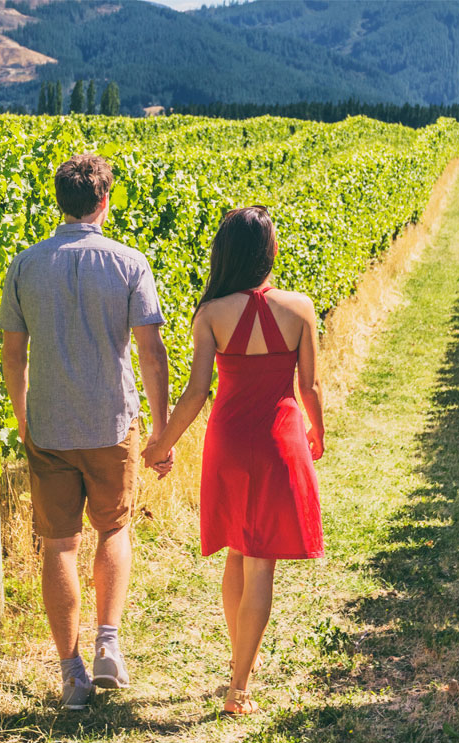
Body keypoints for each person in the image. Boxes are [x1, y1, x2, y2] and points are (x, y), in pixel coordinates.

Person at [0, 153, 172, 710]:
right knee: (113, 530)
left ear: (60, 201)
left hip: (49, 424)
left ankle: (71, 673)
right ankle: (108, 647)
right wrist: (162, 431)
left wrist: (26, 419)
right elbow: (151, 352)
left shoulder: (24, 266)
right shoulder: (129, 263)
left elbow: (13, 354)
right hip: (111, 423)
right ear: (105, 200)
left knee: (58, 545)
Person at [141, 206, 325, 715]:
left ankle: (238, 659)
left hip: (228, 443)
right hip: (277, 440)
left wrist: (161, 444)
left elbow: (196, 393)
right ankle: (239, 685)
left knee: (238, 554)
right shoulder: (300, 308)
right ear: (269, 251)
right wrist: (318, 432)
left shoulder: (211, 314)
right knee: (260, 562)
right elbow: (308, 385)